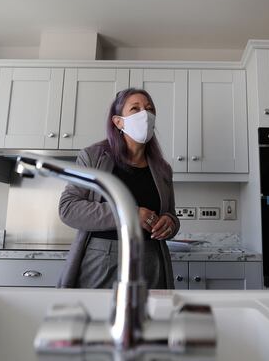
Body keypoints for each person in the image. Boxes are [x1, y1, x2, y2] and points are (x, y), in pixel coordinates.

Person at [57, 88, 179, 289]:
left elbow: (170, 215)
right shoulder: (93, 157)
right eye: (135, 109)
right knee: (98, 310)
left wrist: (170, 223)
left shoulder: (163, 169)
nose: (145, 115)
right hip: (103, 258)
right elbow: (68, 209)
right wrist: (129, 213)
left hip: (151, 260)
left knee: (151, 310)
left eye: (149, 109)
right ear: (118, 122)